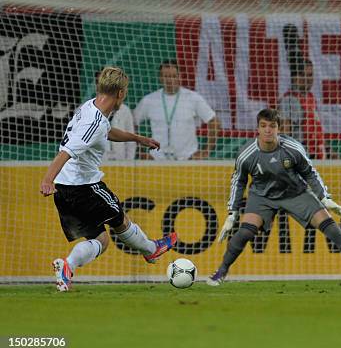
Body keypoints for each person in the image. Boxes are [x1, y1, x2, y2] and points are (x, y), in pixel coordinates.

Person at [207, 108, 341, 286]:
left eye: (272, 126)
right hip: (262, 196)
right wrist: (232, 213)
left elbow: (310, 174)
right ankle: (220, 272)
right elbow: (238, 181)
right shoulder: (247, 155)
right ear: (257, 129)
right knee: (244, 232)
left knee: (333, 230)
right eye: (263, 126)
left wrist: (325, 198)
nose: (268, 130)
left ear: (279, 129)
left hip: (296, 193)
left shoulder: (293, 149)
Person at [40, 66, 177, 292]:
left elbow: (107, 131)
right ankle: (151, 249)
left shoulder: (89, 107)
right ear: (121, 93)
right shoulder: (92, 123)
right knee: (120, 220)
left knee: (100, 241)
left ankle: (67, 266)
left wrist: (137, 138)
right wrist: (47, 179)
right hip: (85, 187)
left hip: (65, 188)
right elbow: (66, 151)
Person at [134, 60, 220, 160]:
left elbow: (214, 122)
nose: (170, 80)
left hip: (187, 159)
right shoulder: (149, 100)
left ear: (180, 77)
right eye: (166, 76)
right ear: (160, 78)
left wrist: (206, 151)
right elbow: (131, 123)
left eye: (174, 76)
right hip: (157, 159)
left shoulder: (193, 98)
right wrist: (140, 151)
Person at [278, 24, 334, 159]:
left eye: (311, 75)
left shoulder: (310, 97)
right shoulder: (290, 100)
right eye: (306, 75)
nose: (310, 79)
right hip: (304, 157)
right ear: (296, 77)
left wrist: (327, 149)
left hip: (318, 155)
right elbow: (285, 132)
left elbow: (315, 127)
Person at [90, 69, 137, 161]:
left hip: (122, 164)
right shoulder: (85, 110)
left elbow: (131, 141)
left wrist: (128, 162)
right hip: (96, 165)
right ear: (96, 85)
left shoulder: (125, 110)